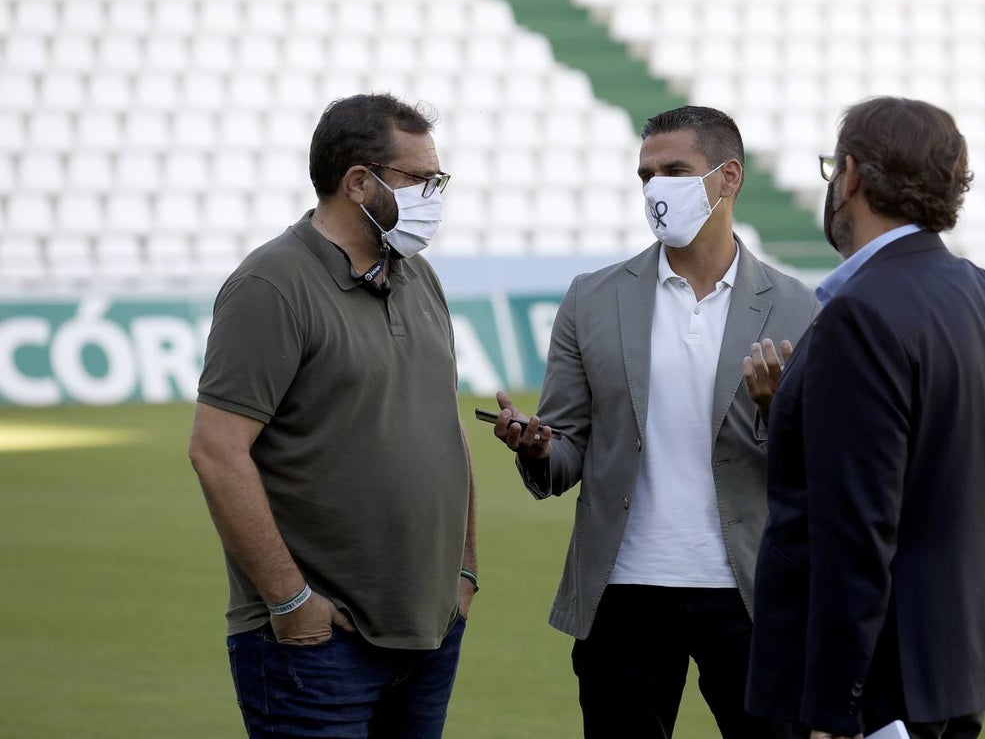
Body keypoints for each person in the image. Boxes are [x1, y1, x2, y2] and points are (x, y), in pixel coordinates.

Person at [744, 96, 985, 739]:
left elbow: (856, 530)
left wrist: (834, 711)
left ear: (851, 176)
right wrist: (971, 598)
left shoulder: (859, 315)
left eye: (833, 171)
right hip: (952, 673)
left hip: (865, 697)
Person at [490, 105, 820, 739]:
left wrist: (777, 412)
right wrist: (534, 448)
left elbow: (820, 471)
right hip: (624, 594)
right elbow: (566, 452)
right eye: (646, 175)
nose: (656, 188)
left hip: (753, 591)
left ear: (730, 179)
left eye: (675, 170)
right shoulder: (591, 298)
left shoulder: (798, 307)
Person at [187, 93, 478, 739]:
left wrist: (463, 570)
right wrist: (291, 602)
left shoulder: (419, 278)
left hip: (429, 631)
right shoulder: (271, 284)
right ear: (358, 181)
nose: (435, 194)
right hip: (318, 645)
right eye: (421, 179)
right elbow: (216, 449)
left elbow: (443, 429)